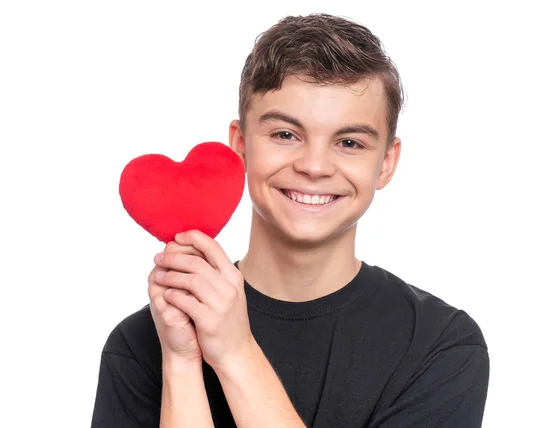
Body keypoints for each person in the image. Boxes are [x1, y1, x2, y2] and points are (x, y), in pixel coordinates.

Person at [91, 13, 489, 428]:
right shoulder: (138, 345)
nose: (314, 166)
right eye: (285, 135)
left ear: (386, 163)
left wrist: (235, 353)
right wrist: (180, 363)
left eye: (349, 142)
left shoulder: (440, 345)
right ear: (240, 146)